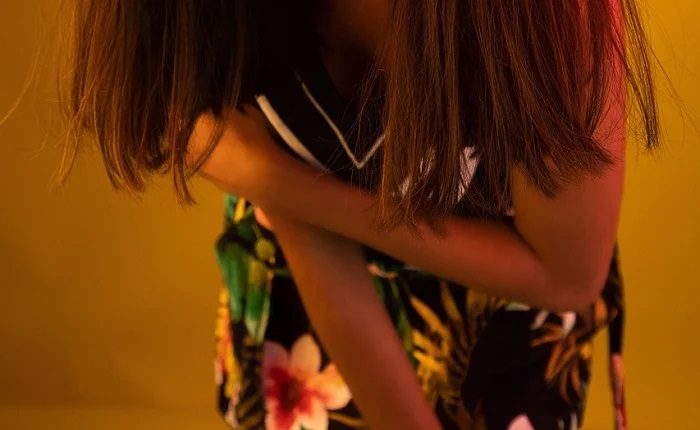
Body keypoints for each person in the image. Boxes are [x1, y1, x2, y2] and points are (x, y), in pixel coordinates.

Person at [63, 0, 659, 429]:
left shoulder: (553, 17)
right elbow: (299, 220)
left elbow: (566, 275)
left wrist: (276, 180)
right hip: (305, 313)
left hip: (503, 322)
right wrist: (281, 188)